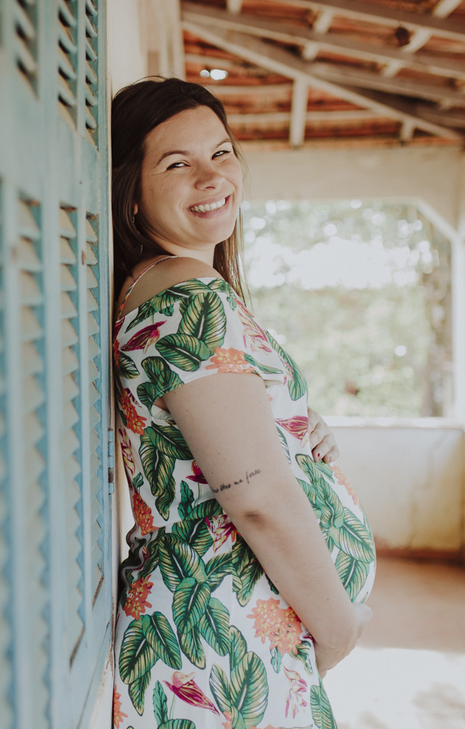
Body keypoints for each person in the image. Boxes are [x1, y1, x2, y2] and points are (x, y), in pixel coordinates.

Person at [110, 78, 375, 729]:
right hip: (226, 634)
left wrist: (295, 431)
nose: (212, 177)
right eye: (177, 163)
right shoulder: (186, 298)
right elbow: (254, 497)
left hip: (229, 627)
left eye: (221, 152)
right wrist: (339, 628)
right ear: (131, 193)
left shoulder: (173, 288)